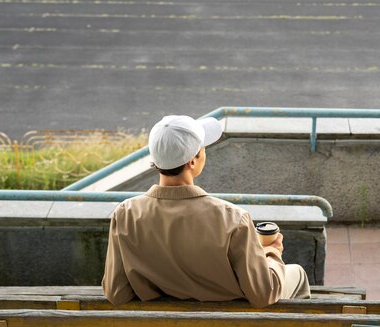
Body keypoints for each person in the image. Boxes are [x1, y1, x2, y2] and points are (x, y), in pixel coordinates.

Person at [102, 115, 310, 307]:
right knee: (297, 274)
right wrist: (271, 252)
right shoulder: (233, 219)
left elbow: (116, 292)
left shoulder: (125, 214)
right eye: (203, 149)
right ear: (192, 160)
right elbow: (262, 294)